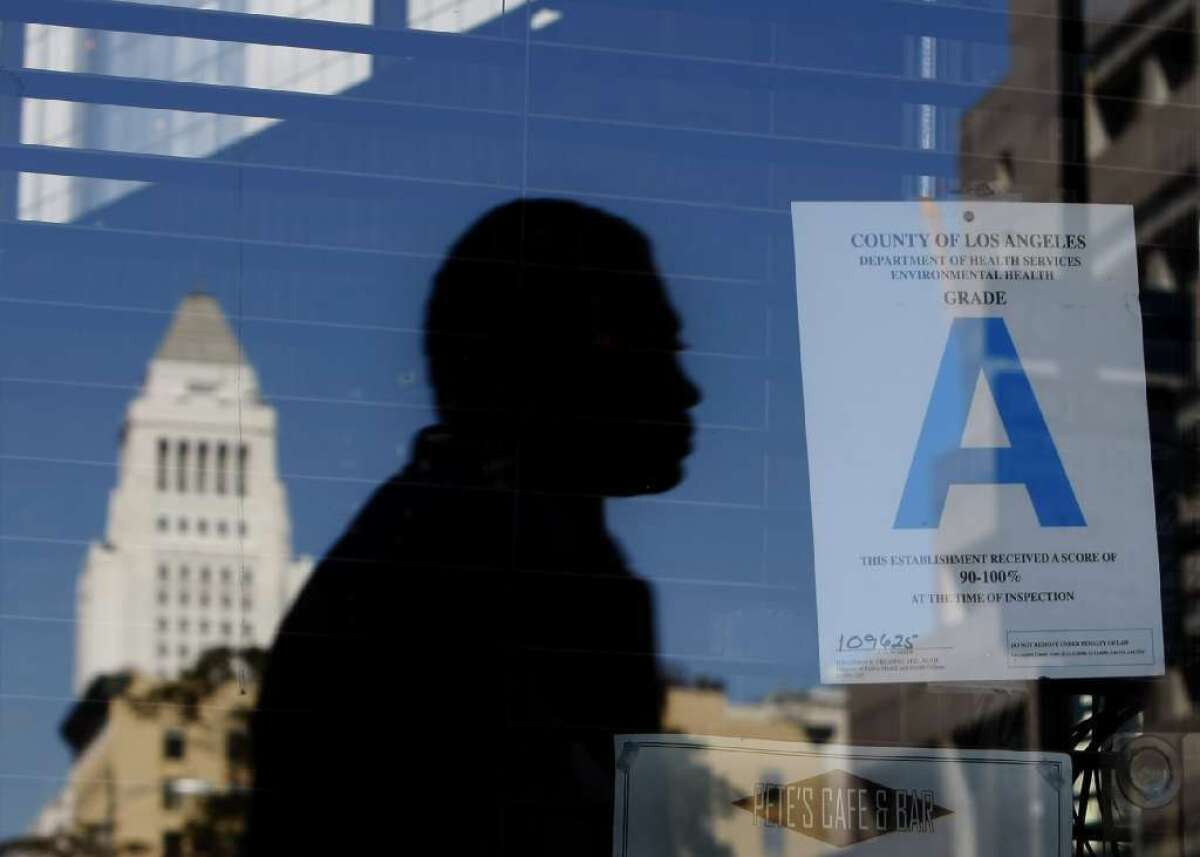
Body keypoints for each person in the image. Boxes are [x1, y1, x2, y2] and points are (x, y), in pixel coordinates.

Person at [244, 198, 700, 856]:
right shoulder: (450, 574)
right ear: (563, 354)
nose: (687, 389)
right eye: (658, 342)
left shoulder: (496, 550)